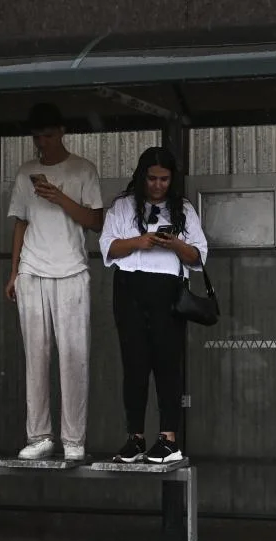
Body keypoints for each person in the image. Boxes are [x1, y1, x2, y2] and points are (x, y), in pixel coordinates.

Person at [5, 102, 104, 461]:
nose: (42, 143)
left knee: (74, 356)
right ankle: (40, 435)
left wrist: (59, 197)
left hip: (72, 269)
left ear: (61, 131)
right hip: (33, 268)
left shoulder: (82, 169)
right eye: (37, 137)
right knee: (36, 355)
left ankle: (74, 439)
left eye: (47, 135)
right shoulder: (25, 172)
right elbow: (20, 221)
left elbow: (95, 221)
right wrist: (14, 271)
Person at [98, 146, 209, 464]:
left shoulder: (183, 209)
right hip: (129, 287)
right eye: (152, 178)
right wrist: (139, 242)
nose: (157, 185)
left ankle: (168, 438)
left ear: (172, 180)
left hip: (167, 289)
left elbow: (199, 256)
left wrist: (174, 243)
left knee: (167, 364)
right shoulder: (122, 206)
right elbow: (107, 246)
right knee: (134, 364)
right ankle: (135, 437)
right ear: (141, 177)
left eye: (164, 179)